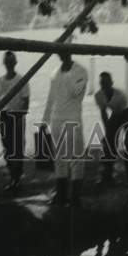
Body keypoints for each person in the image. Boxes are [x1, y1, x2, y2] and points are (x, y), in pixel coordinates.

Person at [40, 50, 89, 207]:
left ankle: (75, 198)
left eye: (64, 51)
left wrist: (67, 72)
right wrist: (44, 121)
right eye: (59, 52)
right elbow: (51, 97)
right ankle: (61, 196)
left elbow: (76, 92)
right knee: (59, 158)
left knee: (76, 159)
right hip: (56, 119)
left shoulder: (81, 71)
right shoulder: (54, 72)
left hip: (73, 118)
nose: (61, 54)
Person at [0, 50, 30, 193]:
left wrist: (20, 117)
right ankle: (13, 176)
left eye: (11, 62)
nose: (9, 65)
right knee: (8, 148)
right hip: (5, 116)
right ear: (4, 64)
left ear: (15, 63)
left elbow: (26, 102)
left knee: (18, 149)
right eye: (7, 62)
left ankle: (17, 178)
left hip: (18, 116)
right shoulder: (0, 81)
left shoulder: (22, 80)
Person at [93, 72, 128, 186]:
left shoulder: (120, 95)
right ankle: (107, 176)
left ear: (111, 83)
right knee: (109, 142)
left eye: (107, 83)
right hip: (117, 113)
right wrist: (108, 133)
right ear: (100, 84)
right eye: (102, 83)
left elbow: (127, 116)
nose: (104, 85)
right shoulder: (98, 95)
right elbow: (104, 114)